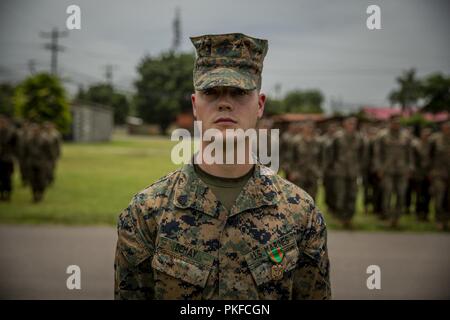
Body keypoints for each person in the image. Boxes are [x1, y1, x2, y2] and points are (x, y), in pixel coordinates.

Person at [114, 33, 331, 300]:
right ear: (195, 105)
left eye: (239, 92)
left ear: (260, 104)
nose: (225, 102)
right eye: (211, 92)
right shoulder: (146, 214)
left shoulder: (300, 213)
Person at [373, 115, 414, 228]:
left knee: (401, 194)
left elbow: (410, 154)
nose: (396, 125)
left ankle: (397, 218)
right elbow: (377, 154)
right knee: (388, 193)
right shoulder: (382, 136)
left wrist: (410, 168)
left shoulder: (406, 136)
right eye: (394, 122)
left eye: (398, 123)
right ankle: (388, 216)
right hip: (387, 170)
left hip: (402, 170)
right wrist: (379, 168)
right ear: (389, 123)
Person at [330, 117, 365, 229]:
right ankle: (341, 217)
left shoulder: (360, 138)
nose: (352, 126)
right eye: (349, 124)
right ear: (344, 125)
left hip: (353, 171)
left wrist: (360, 167)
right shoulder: (337, 138)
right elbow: (331, 154)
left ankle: (349, 218)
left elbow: (363, 155)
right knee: (341, 195)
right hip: (340, 171)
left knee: (352, 195)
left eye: (354, 124)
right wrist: (332, 167)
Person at [290, 121, 322, 200]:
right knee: (299, 197)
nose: (309, 129)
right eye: (307, 127)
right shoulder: (296, 141)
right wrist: (292, 171)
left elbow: (322, 158)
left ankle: (312, 212)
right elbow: (291, 158)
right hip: (300, 173)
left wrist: (320, 171)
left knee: (313, 196)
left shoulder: (318, 142)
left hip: (313, 173)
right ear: (303, 128)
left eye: (311, 127)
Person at [429, 121, 450, 231]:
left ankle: (446, 220)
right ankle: (439, 220)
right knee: (439, 197)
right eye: (446, 127)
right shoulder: (435, 139)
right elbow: (429, 156)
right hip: (438, 173)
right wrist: (430, 171)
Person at [0, 115, 17, 201]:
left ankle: (8, 195)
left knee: (7, 178)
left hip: (7, 159)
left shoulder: (11, 132)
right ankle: (2, 194)